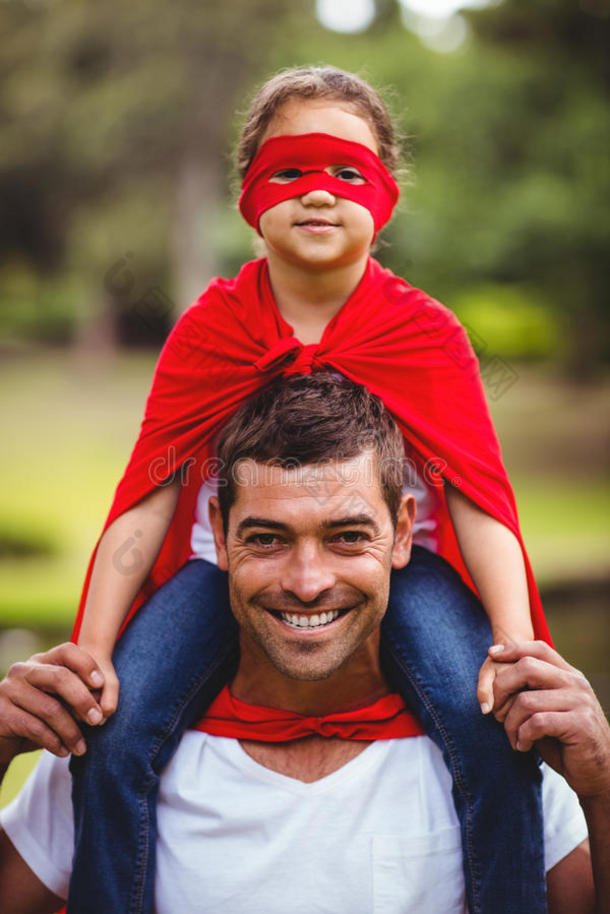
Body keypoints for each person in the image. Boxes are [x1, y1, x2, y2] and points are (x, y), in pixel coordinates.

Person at [67, 67, 552, 912]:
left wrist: (515, 650)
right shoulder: (209, 331)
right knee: (111, 737)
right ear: (250, 195)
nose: (319, 194)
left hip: (407, 569)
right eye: (291, 172)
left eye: (346, 173)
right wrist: (94, 654)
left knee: (492, 731)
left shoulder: (426, 335)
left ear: (385, 197)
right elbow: (144, 500)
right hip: (224, 570)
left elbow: (479, 500)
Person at [0, 375, 609, 914]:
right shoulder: (111, 742)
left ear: (403, 533)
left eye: (347, 537)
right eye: (267, 539)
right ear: (217, 532)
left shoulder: (502, 745)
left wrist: (602, 789)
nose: (308, 582)